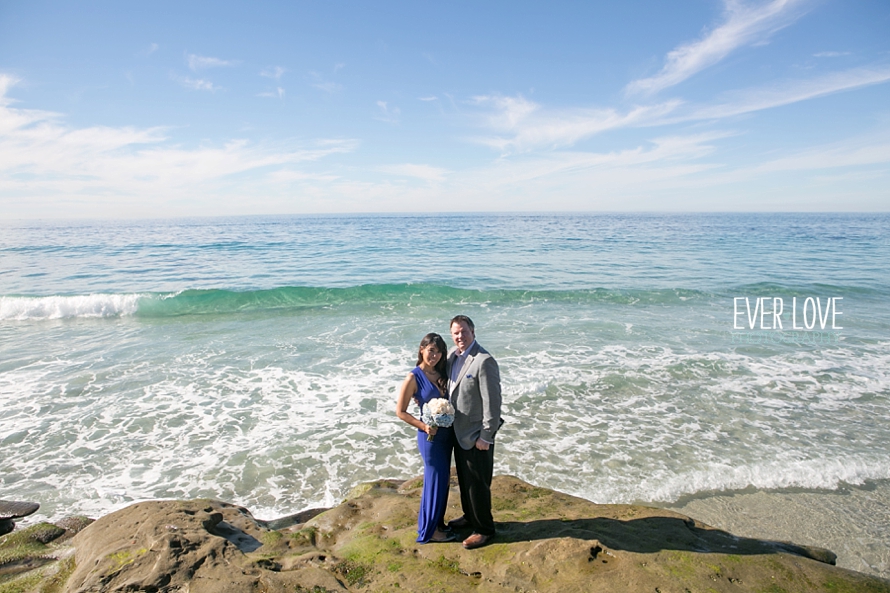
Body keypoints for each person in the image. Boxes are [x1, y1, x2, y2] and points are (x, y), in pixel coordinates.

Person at [446, 315, 502, 549]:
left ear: (473, 332)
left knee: (478, 484)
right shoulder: (451, 355)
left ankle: (484, 529)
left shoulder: (484, 360)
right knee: (465, 480)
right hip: (458, 432)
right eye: (456, 333)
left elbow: (493, 402)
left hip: (477, 435)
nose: (460, 336)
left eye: (464, 332)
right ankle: (469, 517)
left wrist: (486, 436)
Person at [395, 332, 456, 543]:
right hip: (429, 438)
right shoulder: (413, 377)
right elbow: (400, 411)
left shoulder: (442, 372)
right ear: (422, 349)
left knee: (444, 481)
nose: (435, 356)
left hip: (447, 435)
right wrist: (424, 426)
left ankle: (438, 523)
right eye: (431, 351)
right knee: (434, 481)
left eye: (439, 352)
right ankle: (430, 531)